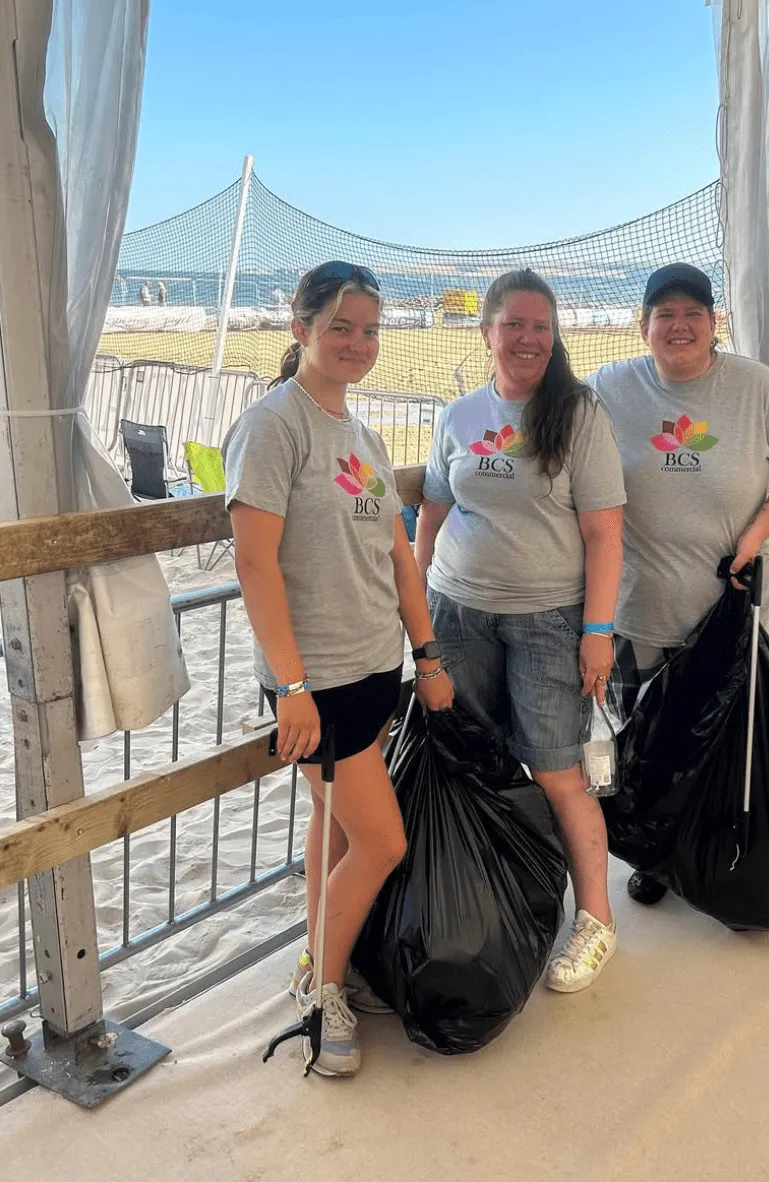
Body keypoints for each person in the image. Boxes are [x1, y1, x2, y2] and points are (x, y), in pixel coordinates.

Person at [223, 261, 453, 1077]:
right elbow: (254, 561)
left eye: (369, 330)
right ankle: (322, 992)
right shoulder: (273, 426)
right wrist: (290, 686)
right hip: (314, 677)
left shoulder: (364, 437)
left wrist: (426, 654)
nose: (358, 342)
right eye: (340, 328)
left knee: (337, 822)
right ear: (302, 330)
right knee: (382, 841)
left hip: (373, 664)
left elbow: (398, 557)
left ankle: (321, 956)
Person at [416, 269, 626, 993]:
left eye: (541, 326)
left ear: (554, 335)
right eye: (514, 324)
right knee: (474, 760)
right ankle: (492, 903)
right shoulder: (459, 414)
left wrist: (597, 631)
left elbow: (604, 532)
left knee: (559, 769)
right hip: (457, 612)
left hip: (549, 621)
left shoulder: (579, 413)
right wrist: (418, 610)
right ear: (487, 332)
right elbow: (433, 512)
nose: (528, 338)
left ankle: (595, 920)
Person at [589, 262, 769, 905]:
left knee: (724, 742)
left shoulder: (758, 387)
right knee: (645, 744)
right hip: (638, 609)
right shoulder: (609, 386)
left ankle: (725, 857)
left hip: (731, 606)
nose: (679, 325)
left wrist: (755, 534)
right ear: (643, 326)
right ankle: (656, 859)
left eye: (693, 313)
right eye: (664, 314)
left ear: (714, 322)